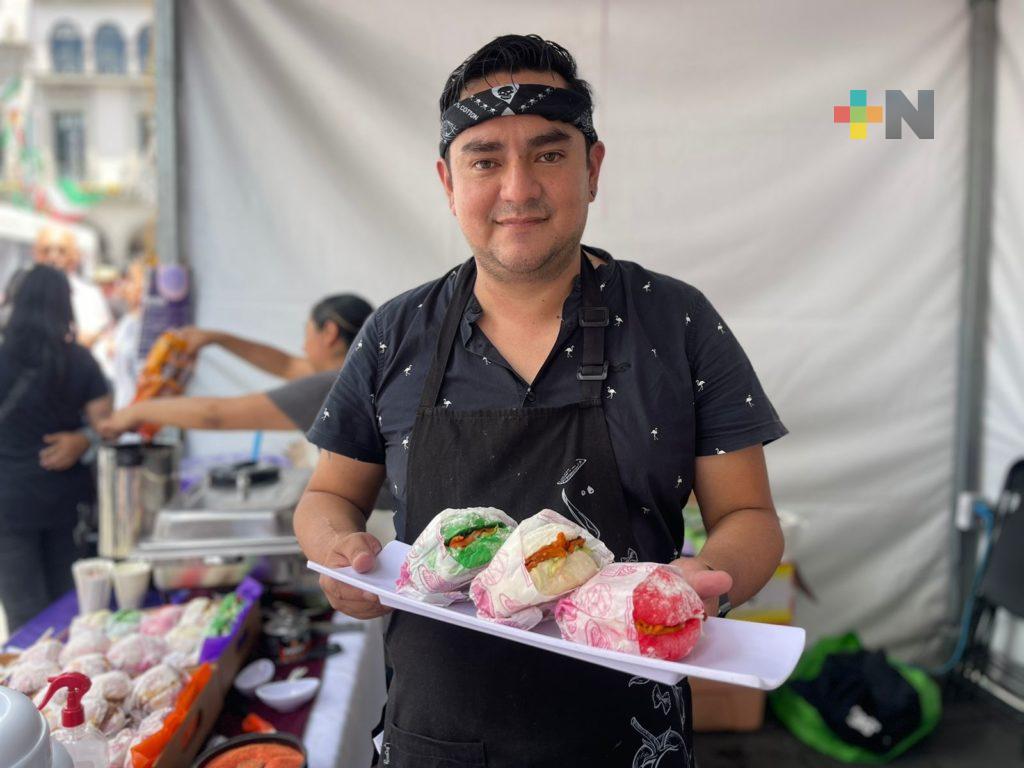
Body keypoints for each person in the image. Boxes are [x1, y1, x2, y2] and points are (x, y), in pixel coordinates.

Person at [294, 34, 788, 767]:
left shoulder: (676, 323)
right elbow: (329, 495)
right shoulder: (396, 334)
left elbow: (749, 516)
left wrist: (705, 584)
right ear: (447, 180)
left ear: (593, 168)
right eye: (485, 159)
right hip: (433, 741)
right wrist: (338, 551)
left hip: (632, 742)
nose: (518, 189)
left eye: (549, 154)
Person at [0, 266, 112, 632]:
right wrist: (84, 439)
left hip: (7, 504)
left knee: (25, 618)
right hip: (65, 501)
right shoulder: (79, 361)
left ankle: (28, 671)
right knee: (73, 610)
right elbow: (107, 425)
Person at [98, 293, 374, 437]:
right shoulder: (362, 375)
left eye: (308, 333)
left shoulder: (331, 386)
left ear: (329, 333)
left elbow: (215, 415)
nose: (303, 347)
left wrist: (136, 411)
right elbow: (287, 365)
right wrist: (216, 338)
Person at [33, 227, 112, 349]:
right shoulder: (23, 292)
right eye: (46, 251)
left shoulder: (90, 295)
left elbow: (101, 337)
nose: (53, 257)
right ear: (36, 255)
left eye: (61, 251)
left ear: (74, 256)